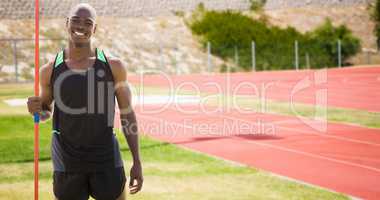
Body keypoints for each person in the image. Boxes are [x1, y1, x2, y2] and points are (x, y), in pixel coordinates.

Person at [27, 3, 143, 200]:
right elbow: (46, 111)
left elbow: (127, 114)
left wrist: (137, 161)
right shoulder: (49, 70)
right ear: (67, 23)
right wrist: (36, 109)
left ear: (94, 29)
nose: (80, 27)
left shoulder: (113, 66)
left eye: (87, 23)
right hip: (67, 161)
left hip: (106, 159)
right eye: (75, 21)